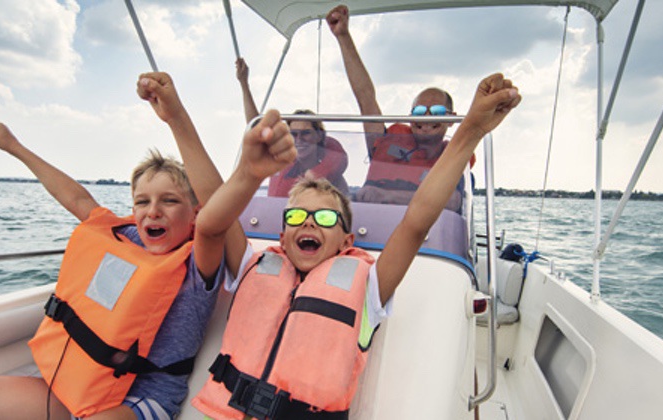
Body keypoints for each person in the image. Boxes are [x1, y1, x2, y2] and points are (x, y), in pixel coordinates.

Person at [0, 72, 244, 420]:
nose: (152, 212)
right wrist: (15, 147)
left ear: (194, 213)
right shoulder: (122, 238)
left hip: (137, 400)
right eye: (142, 202)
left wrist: (175, 117)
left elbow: (215, 214)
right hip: (73, 384)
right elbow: (77, 199)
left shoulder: (199, 263)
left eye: (170, 201)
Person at [190, 72, 520, 419]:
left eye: (326, 218)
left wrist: (471, 130)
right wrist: (175, 116)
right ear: (283, 236)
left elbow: (415, 222)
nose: (309, 222)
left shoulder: (369, 288)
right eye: (297, 215)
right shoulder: (249, 266)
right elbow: (213, 207)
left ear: (346, 241)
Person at [327, 4, 473, 210]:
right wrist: (343, 36)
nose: (427, 118)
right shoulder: (386, 142)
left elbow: (452, 202)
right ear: (411, 117)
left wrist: (386, 196)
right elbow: (365, 97)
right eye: (420, 112)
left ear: (451, 119)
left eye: (438, 111)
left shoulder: (454, 159)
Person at [236, 57, 350, 196]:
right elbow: (255, 128)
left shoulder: (334, 178)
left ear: (319, 136)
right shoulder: (280, 160)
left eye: (306, 133)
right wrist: (244, 84)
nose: (299, 139)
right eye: (294, 134)